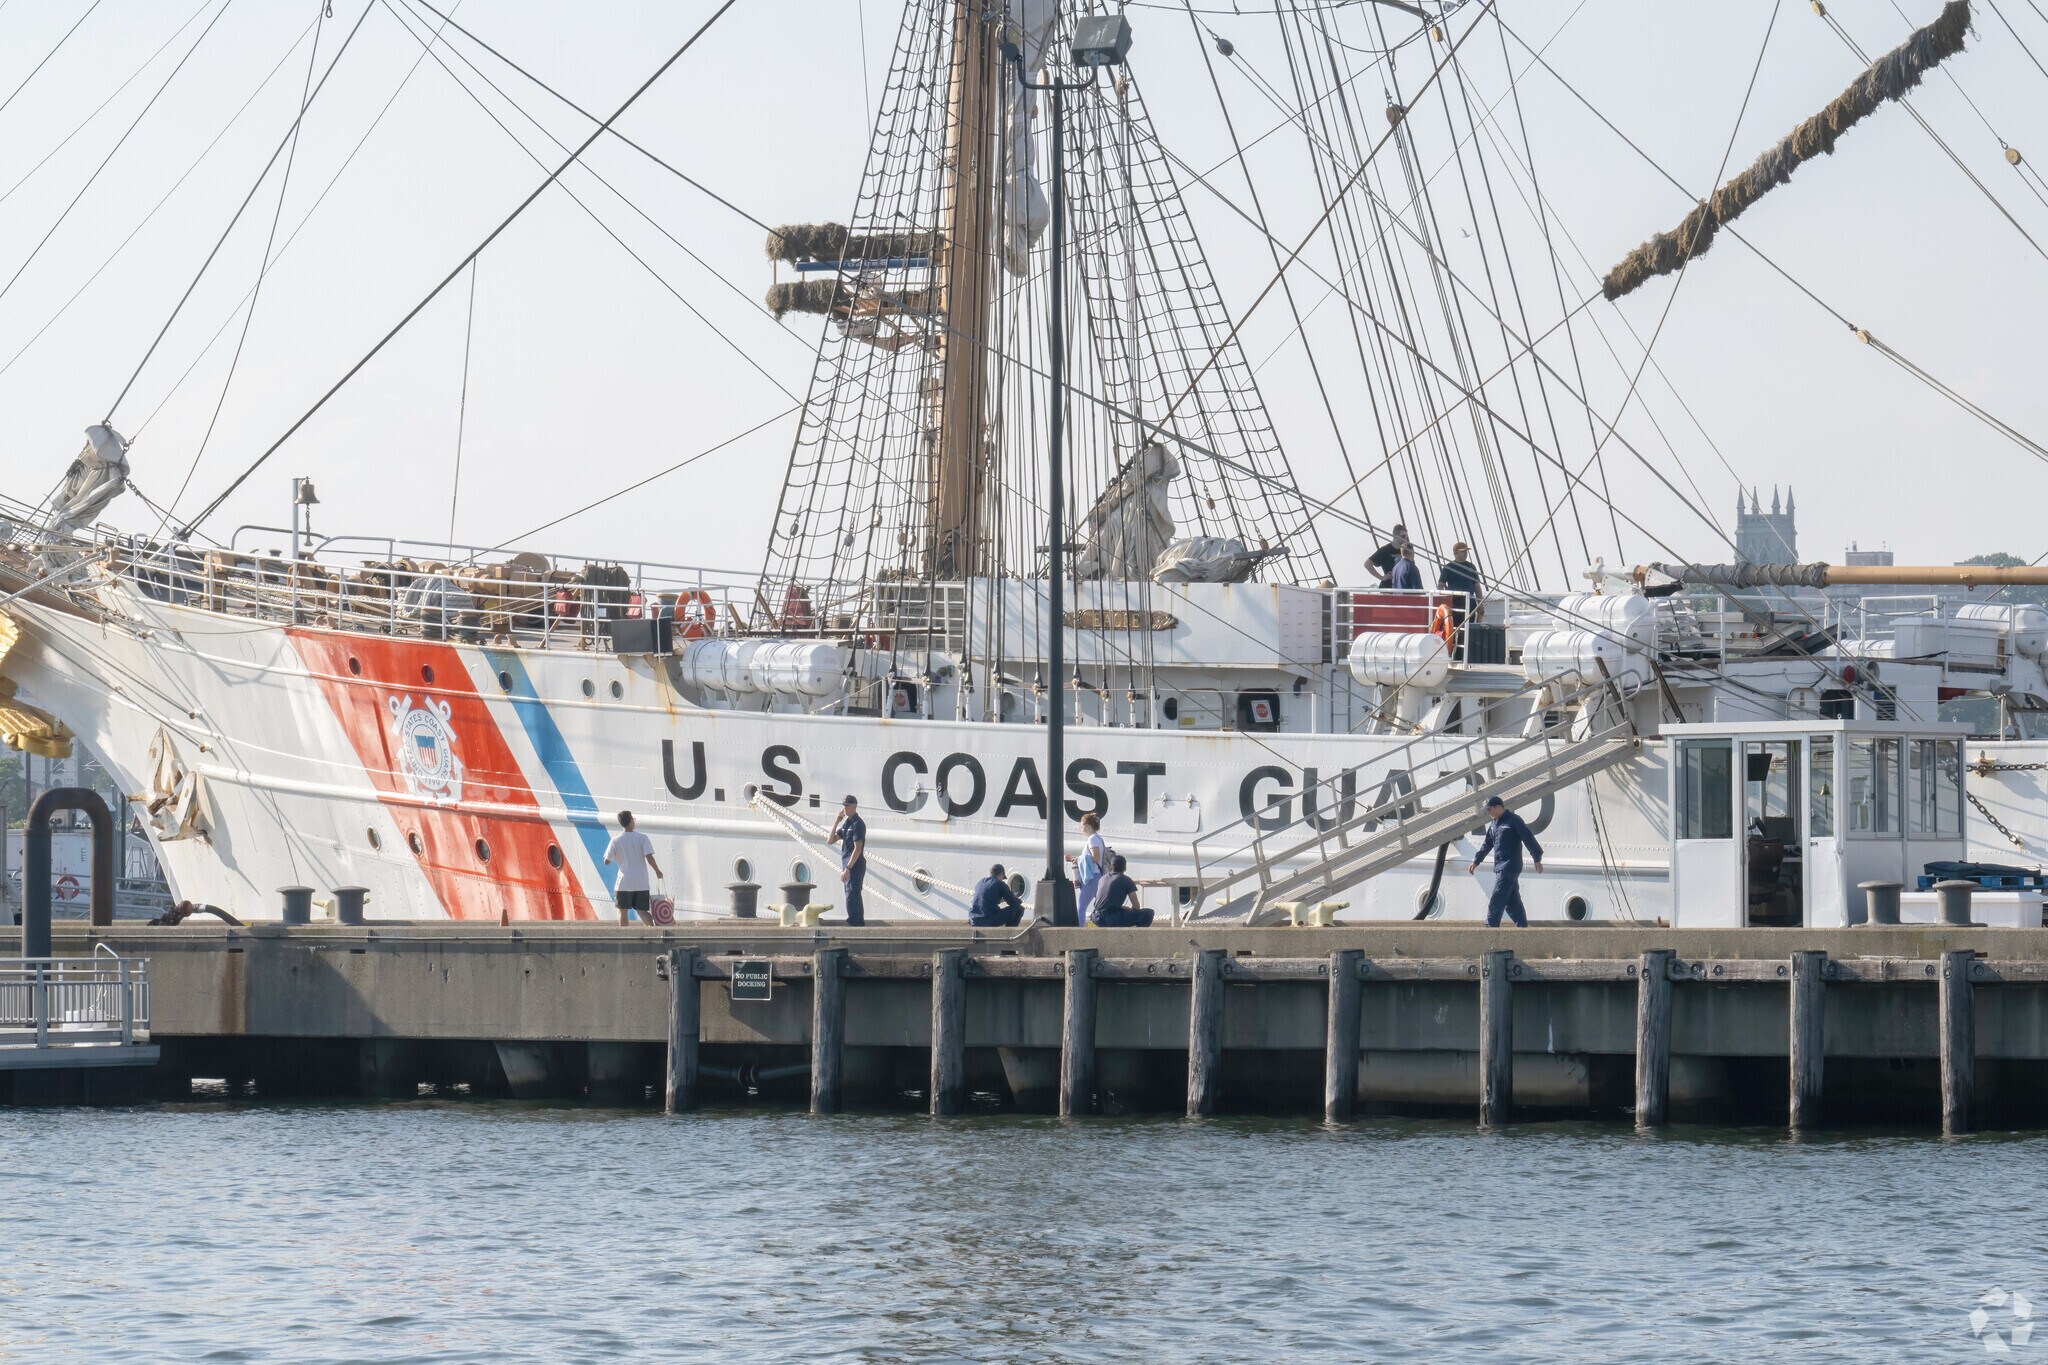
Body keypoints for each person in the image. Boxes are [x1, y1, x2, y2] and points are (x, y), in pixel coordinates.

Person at [1467, 795, 1543, 928]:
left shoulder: (1513, 820)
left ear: (1498, 807)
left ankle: (1490, 929)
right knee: (1512, 902)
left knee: (1497, 898)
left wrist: (1537, 858)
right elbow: (1487, 845)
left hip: (1510, 867)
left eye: (1489, 810)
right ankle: (1522, 927)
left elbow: (1527, 837)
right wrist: (1476, 861)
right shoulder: (1494, 824)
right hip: (1500, 868)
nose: (1488, 813)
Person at [603, 810, 664, 926]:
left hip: (624, 882)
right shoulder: (642, 838)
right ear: (631, 821)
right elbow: (649, 857)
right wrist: (657, 871)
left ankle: (625, 938)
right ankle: (655, 931)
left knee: (622, 911)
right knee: (642, 910)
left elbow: (607, 861)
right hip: (641, 881)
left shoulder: (616, 840)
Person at [829, 794, 868, 926]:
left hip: (855, 864)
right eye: (843, 806)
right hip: (848, 863)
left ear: (854, 806)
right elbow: (830, 840)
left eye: (847, 806)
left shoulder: (858, 824)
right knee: (853, 893)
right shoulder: (847, 823)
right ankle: (858, 921)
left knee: (852, 894)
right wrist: (836, 822)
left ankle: (854, 921)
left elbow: (858, 849)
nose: (844, 808)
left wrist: (848, 869)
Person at [1088, 855, 1153, 927]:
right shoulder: (1126, 880)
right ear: (1125, 868)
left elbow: (1104, 901)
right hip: (1109, 919)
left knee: (1120, 913)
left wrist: (1119, 908)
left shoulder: (1102, 878)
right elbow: (1136, 907)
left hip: (1096, 917)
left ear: (1111, 867)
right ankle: (1137, 937)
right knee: (1148, 913)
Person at [1072, 812, 1109, 920]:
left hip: (1092, 877)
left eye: (1082, 826)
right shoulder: (1098, 838)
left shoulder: (1092, 839)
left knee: (1080, 907)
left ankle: (1079, 932)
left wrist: (1079, 859)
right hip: (1098, 875)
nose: (1081, 829)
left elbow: (1096, 857)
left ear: (1088, 826)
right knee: (1100, 906)